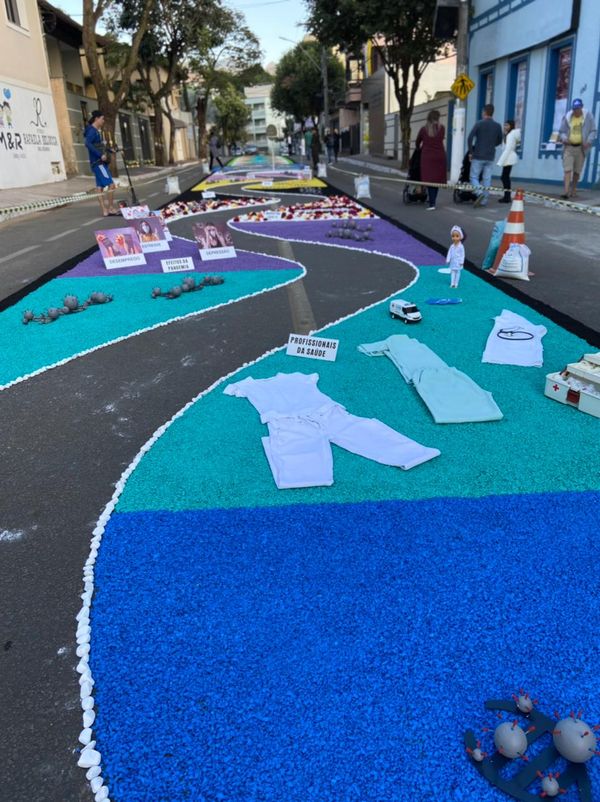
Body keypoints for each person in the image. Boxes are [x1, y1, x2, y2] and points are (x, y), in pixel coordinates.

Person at [559, 98, 597, 199]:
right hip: (569, 147)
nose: (576, 111)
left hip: (581, 148)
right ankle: (566, 191)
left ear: (581, 107)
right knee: (567, 169)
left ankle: (573, 189)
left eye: (578, 109)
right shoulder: (567, 117)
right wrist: (564, 138)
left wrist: (588, 141)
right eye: (575, 109)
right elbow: (561, 131)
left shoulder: (588, 116)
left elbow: (593, 130)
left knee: (577, 171)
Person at [467, 104, 503, 207]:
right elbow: (499, 140)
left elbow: (470, 138)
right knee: (487, 178)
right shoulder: (497, 126)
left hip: (478, 155)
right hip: (490, 156)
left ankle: (479, 193)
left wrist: (471, 152)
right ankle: (484, 201)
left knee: (473, 177)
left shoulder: (479, 124)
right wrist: (492, 145)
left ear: (484, 112)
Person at [84, 110, 119, 218]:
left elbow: (99, 145)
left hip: (97, 163)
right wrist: (100, 155)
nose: (103, 121)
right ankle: (111, 208)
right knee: (111, 185)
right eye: (102, 118)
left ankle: (105, 210)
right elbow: (87, 144)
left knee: (99, 187)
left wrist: (111, 150)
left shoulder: (95, 131)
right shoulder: (92, 131)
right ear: (96, 119)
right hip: (98, 163)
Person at [415, 110, 447, 210]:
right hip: (440, 156)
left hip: (427, 157)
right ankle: (433, 201)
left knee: (429, 179)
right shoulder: (442, 129)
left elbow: (418, 141)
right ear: (438, 118)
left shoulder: (423, 129)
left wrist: (418, 148)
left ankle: (432, 203)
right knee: (436, 180)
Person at [496, 120, 521, 203]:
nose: (505, 127)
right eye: (504, 125)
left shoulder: (510, 135)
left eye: (507, 125)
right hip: (508, 157)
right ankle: (507, 196)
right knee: (505, 177)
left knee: (504, 177)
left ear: (511, 126)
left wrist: (500, 161)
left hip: (508, 158)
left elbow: (508, 149)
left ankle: (507, 197)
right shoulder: (508, 134)